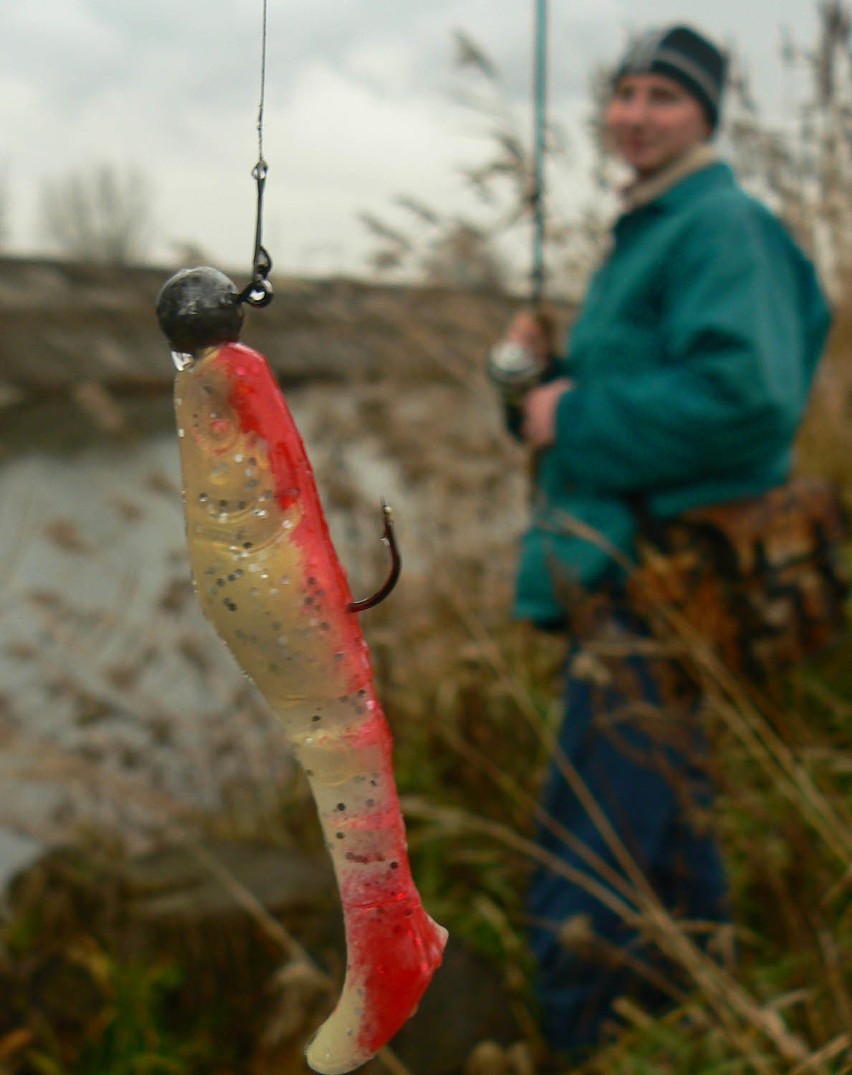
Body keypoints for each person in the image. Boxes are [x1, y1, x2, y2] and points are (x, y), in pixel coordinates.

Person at [493, 24, 833, 1056]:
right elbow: (614, 404)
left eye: (663, 98)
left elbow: (747, 399)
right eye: (625, 93)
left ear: (706, 116)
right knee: (673, 825)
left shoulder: (720, 223)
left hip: (660, 583)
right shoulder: (650, 228)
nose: (635, 115)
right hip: (623, 573)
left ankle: (588, 1043)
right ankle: (703, 1018)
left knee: (590, 862)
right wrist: (530, 384)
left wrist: (578, 411)